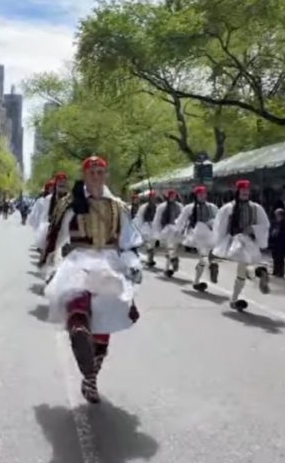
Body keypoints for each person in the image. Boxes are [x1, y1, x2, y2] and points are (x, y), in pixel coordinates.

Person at [43, 156, 143, 404]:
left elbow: (128, 241)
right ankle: (78, 333)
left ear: (105, 175)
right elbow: (56, 237)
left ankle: (90, 378)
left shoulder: (117, 206)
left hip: (108, 261)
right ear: (85, 175)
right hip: (79, 259)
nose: (97, 177)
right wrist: (52, 265)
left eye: (101, 172)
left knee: (106, 315)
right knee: (78, 299)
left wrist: (133, 264)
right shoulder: (71, 203)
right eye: (92, 172)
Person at [213, 180, 270, 311]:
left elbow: (265, 224)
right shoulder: (229, 208)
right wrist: (221, 241)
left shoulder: (256, 208)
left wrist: (253, 228)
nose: (245, 192)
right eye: (243, 190)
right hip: (238, 241)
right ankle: (258, 273)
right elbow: (221, 225)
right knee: (243, 268)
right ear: (238, 191)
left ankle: (234, 299)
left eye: (247, 190)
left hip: (244, 242)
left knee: (241, 272)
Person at [181, 185, 219, 292]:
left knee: (203, 258)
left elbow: (218, 220)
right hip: (197, 234)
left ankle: (196, 282)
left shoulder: (212, 207)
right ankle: (210, 266)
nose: (202, 196)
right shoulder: (189, 208)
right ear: (196, 195)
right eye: (200, 194)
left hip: (208, 234)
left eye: (204, 194)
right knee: (203, 255)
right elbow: (182, 220)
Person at [152, 189, 185, 277]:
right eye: (171, 196)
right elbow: (157, 219)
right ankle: (168, 266)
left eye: (174, 196)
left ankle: (170, 263)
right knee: (169, 249)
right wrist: (157, 231)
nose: (172, 197)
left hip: (176, 230)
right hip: (167, 230)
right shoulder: (162, 207)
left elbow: (183, 218)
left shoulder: (180, 206)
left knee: (173, 248)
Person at [134, 191, 159, 267]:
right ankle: (150, 259)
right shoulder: (144, 207)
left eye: (154, 197)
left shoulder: (157, 207)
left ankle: (150, 259)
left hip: (154, 227)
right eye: (152, 197)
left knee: (152, 244)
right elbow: (140, 217)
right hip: (146, 226)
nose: (153, 199)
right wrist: (138, 227)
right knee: (148, 243)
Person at [270, 208, 285, 278]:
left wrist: (278, 232)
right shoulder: (276, 221)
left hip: (283, 243)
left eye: (277, 215)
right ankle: (275, 271)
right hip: (276, 243)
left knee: (280, 258)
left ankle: (280, 272)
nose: (276, 216)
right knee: (275, 257)